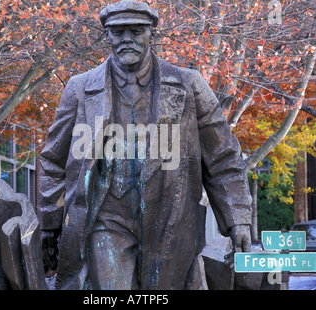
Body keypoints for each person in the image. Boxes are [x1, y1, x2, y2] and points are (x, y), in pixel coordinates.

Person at [39, 0, 252, 290]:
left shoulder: (189, 85)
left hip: (170, 218)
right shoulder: (80, 88)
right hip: (106, 218)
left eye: (136, 31)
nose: (127, 39)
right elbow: (52, 159)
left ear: (152, 34)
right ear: (107, 36)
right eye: (118, 32)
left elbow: (223, 157)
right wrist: (50, 220)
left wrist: (237, 217)